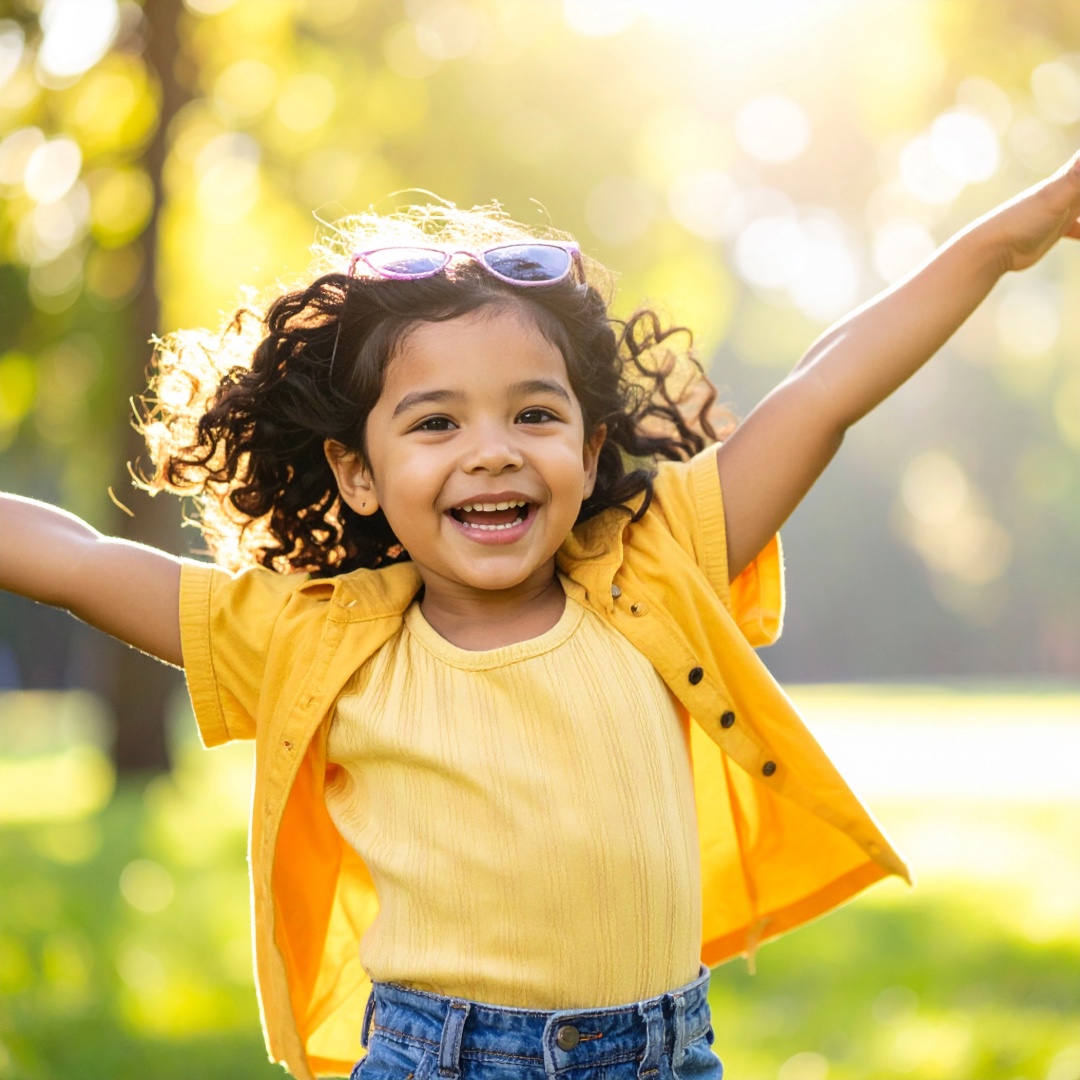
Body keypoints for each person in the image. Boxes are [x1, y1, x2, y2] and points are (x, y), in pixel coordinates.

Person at [3, 155, 1080, 1080]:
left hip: (665, 1049)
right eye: (434, 422)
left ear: (592, 446)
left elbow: (825, 388)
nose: (492, 449)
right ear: (358, 472)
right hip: (442, 1055)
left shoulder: (659, 560)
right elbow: (81, 561)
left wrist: (1015, 233)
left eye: (534, 412)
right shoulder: (310, 631)